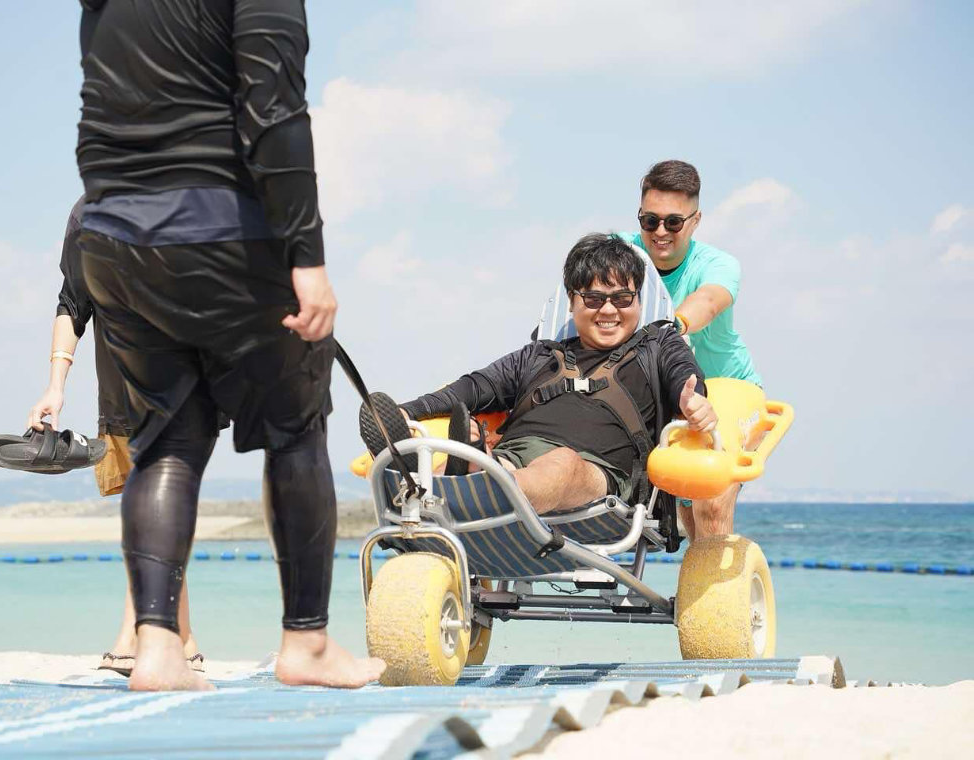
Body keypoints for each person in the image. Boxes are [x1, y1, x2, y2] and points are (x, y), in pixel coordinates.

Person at [76, 0, 385, 691]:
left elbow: (97, 104)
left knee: (168, 443)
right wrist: (307, 254)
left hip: (111, 236)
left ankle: (157, 648)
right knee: (297, 427)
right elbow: (274, 106)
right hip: (223, 228)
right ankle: (305, 643)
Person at [362, 233, 717, 516]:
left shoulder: (657, 344)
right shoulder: (540, 356)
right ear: (572, 299)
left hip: (597, 474)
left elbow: (683, 376)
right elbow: (472, 387)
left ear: (638, 300)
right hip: (512, 458)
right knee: (492, 459)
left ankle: (451, 490)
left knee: (560, 463)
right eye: (594, 299)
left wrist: (692, 400)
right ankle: (455, 478)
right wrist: (404, 413)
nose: (608, 310)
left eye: (623, 298)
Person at [28, 198, 204, 677]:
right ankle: (182, 637)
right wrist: (55, 387)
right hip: (120, 388)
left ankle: (138, 631)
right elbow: (72, 302)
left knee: (153, 502)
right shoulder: (88, 213)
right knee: (150, 505)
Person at [623, 160, 762, 541]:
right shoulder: (621, 252)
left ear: (696, 220)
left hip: (725, 386)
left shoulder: (717, 263)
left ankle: (711, 600)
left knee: (711, 499)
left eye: (673, 222)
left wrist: (674, 326)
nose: (660, 232)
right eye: (650, 221)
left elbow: (710, 299)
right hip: (659, 390)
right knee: (686, 508)